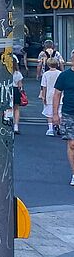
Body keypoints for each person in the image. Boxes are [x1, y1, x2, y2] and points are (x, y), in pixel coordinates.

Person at [51, 50, 74, 186]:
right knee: (72, 144)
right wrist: (55, 114)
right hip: (69, 113)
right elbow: (57, 94)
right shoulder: (64, 76)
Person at [41, 59, 63, 136]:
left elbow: (44, 87)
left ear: (48, 65)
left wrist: (43, 96)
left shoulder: (46, 74)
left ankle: (50, 129)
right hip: (60, 96)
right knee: (59, 113)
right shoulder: (60, 73)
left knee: (49, 114)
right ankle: (59, 126)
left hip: (49, 96)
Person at [11, 57, 24, 134]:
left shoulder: (4, 72)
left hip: (7, 88)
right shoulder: (18, 73)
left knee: (6, 108)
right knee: (16, 108)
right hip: (15, 90)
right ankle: (16, 126)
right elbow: (20, 85)